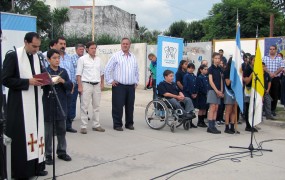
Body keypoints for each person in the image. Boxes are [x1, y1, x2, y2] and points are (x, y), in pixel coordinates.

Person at [2, 32, 48, 179]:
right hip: (19, 105)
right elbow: (6, 80)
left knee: (36, 133)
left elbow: (39, 75)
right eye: (34, 46)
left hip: (35, 103)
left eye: (38, 47)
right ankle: (22, 172)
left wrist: (47, 80)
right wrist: (27, 81)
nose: (36, 49)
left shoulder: (36, 57)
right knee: (22, 137)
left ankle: (37, 167)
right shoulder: (13, 56)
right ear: (26, 42)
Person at [43, 49, 72, 165]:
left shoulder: (63, 71)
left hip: (61, 103)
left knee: (61, 129)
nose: (57, 60)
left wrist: (63, 81)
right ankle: (48, 154)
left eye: (58, 58)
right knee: (48, 131)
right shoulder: (45, 71)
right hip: (49, 103)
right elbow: (40, 86)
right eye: (54, 58)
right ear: (48, 59)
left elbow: (70, 85)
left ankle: (61, 151)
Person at [104, 37, 139, 131]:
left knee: (130, 106)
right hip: (119, 86)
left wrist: (136, 81)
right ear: (121, 44)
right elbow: (107, 69)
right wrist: (110, 80)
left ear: (129, 45)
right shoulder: (116, 56)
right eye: (123, 43)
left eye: (127, 44)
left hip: (131, 86)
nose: (125, 45)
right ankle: (117, 124)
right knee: (118, 106)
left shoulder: (133, 57)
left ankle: (129, 123)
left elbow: (136, 70)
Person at [77, 41, 105, 134]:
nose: (94, 50)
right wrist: (80, 86)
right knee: (84, 106)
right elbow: (78, 74)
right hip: (86, 85)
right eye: (92, 48)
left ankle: (96, 125)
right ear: (87, 49)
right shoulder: (82, 59)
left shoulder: (99, 60)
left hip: (97, 85)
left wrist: (102, 83)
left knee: (96, 106)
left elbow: (101, 73)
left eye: (95, 48)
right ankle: (83, 126)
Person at [55, 37, 77, 133]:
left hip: (68, 86)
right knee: (57, 107)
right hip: (57, 87)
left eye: (64, 44)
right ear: (56, 44)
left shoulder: (69, 57)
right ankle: (56, 128)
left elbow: (72, 72)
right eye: (61, 44)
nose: (63, 46)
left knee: (68, 107)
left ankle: (68, 126)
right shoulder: (52, 56)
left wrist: (72, 85)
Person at [67, 44, 85, 133]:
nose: (82, 51)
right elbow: (70, 70)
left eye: (83, 49)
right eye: (80, 49)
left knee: (84, 101)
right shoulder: (71, 58)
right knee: (73, 100)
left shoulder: (86, 58)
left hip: (84, 83)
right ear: (76, 50)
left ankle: (84, 115)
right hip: (75, 83)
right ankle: (71, 116)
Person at [263, 45, 284, 116]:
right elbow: (263, 67)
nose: (272, 50)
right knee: (267, 93)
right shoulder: (265, 58)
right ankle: (266, 110)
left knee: (275, 94)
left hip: (276, 78)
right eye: (270, 49)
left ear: (276, 50)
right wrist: (269, 73)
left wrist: (274, 74)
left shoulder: (279, 58)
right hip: (267, 78)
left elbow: (281, 67)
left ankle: (273, 110)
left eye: (273, 49)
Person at [207, 52, 224, 134]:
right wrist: (216, 90)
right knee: (212, 107)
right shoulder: (211, 69)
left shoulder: (220, 68)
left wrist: (221, 91)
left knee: (216, 108)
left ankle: (213, 125)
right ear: (213, 59)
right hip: (212, 90)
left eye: (218, 58)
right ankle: (210, 126)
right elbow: (211, 81)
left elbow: (221, 80)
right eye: (216, 58)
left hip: (218, 91)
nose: (217, 60)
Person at [223, 58, 239, 134]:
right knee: (228, 110)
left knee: (234, 110)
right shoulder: (227, 71)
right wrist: (232, 77)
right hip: (228, 92)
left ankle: (232, 125)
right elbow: (228, 83)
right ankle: (226, 126)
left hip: (235, 92)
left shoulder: (237, 72)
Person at [243, 55, 258, 132]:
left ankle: (253, 123)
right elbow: (246, 81)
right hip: (249, 90)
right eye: (254, 60)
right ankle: (248, 125)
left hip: (255, 90)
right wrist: (252, 74)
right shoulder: (248, 69)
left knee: (254, 108)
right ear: (251, 61)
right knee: (248, 108)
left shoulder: (258, 68)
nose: (255, 62)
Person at [183, 63, 198, 128]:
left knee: (192, 109)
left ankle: (191, 122)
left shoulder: (194, 76)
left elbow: (197, 85)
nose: (191, 69)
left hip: (194, 94)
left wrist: (196, 93)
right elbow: (186, 86)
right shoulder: (186, 76)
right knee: (188, 109)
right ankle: (186, 122)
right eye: (189, 68)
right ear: (187, 68)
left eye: (192, 68)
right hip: (188, 94)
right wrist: (191, 93)